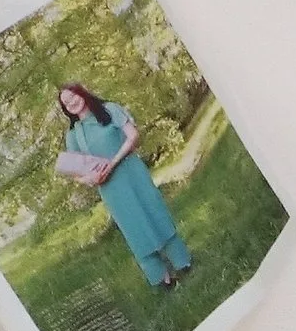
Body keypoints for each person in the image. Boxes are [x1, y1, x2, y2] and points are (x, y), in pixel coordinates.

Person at [54, 83, 194, 294]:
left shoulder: (109, 110)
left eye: (72, 96)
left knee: (154, 212)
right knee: (133, 228)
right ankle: (163, 278)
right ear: (65, 109)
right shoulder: (74, 135)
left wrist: (113, 162)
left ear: (81, 93)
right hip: (110, 187)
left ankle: (183, 263)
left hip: (131, 172)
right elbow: (76, 172)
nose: (71, 103)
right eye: (66, 103)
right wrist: (90, 178)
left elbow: (133, 136)